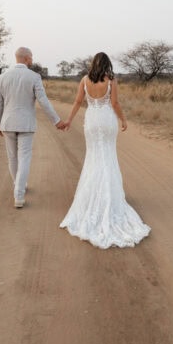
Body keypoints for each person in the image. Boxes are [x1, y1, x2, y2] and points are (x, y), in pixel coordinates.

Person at [60, 52, 151, 248]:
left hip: (92, 121)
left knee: (93, 158)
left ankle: (92, 197)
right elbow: (115, 103)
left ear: (93, 64)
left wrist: (68, 120)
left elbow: (77, 102)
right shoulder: (111, 80)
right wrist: (123, 119)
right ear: (108, 64)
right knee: (108, 157)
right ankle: (109, 197)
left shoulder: (85, 80)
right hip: (107, 121)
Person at [0, 47, 65, 208]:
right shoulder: (34, 77)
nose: (32, 60)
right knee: (24, 158)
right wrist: (56, 121)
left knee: (12, 157)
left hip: (8, 123)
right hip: (26, 124)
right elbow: (43, 101)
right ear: (26, 58)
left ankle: (18, 186)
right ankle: (19, 195)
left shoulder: (3, 77)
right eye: (31, 57)